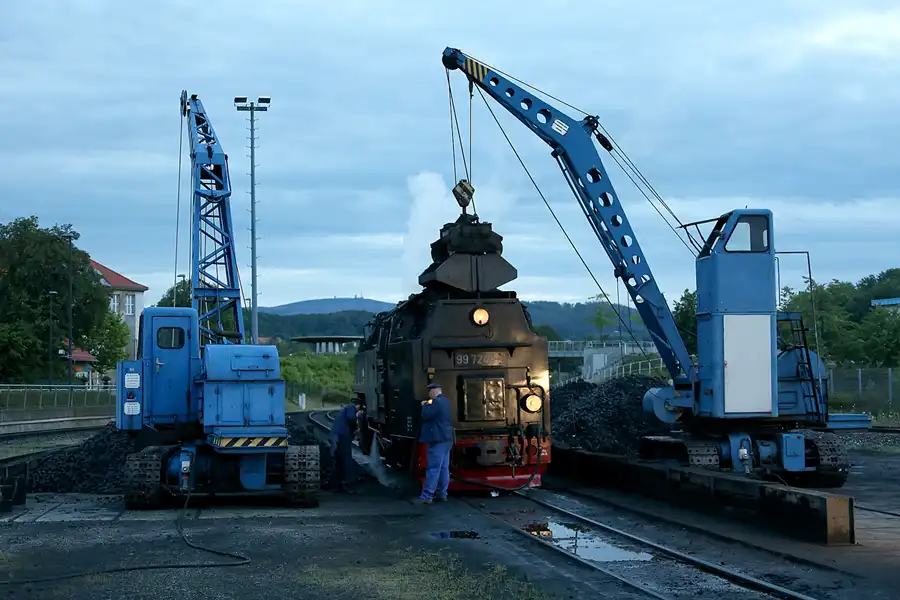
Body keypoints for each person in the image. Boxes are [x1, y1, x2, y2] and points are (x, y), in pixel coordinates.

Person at [415, 382, 453, 505]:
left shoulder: (435, 402)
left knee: (433, 468)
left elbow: (425, 415)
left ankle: (427, 496)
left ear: (433, 391)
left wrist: (424, 405)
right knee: (444, 468)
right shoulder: (447, 401)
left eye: (429, 392)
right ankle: (443, 493)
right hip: (447, 439)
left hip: (437, 439)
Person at [330, 399, 362, 494]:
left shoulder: (345, 409)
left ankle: (337, 484)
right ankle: (348, 483)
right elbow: (351, 418)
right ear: (358, 405)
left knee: (339, 458)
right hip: (343, 435)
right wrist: (357, 428)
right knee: (347, 458)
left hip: (337, 434)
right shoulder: (351, 408)